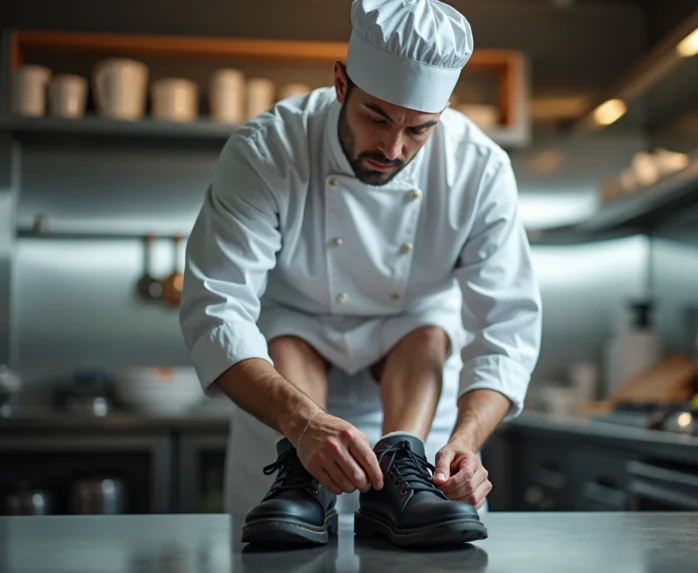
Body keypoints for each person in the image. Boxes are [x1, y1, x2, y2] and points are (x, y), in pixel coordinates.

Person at [179, 0, 542, 548]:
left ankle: (405, 458)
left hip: (418, 391)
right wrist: (301, 423)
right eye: (377, 117)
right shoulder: (267, 150)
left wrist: (465, 439)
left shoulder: (479, 167)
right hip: (285, 396)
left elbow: (506, 329)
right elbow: (217, 308)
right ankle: (299, 480)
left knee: (426, 329)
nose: (393, 149)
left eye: (419, 130)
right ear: (341, 83)